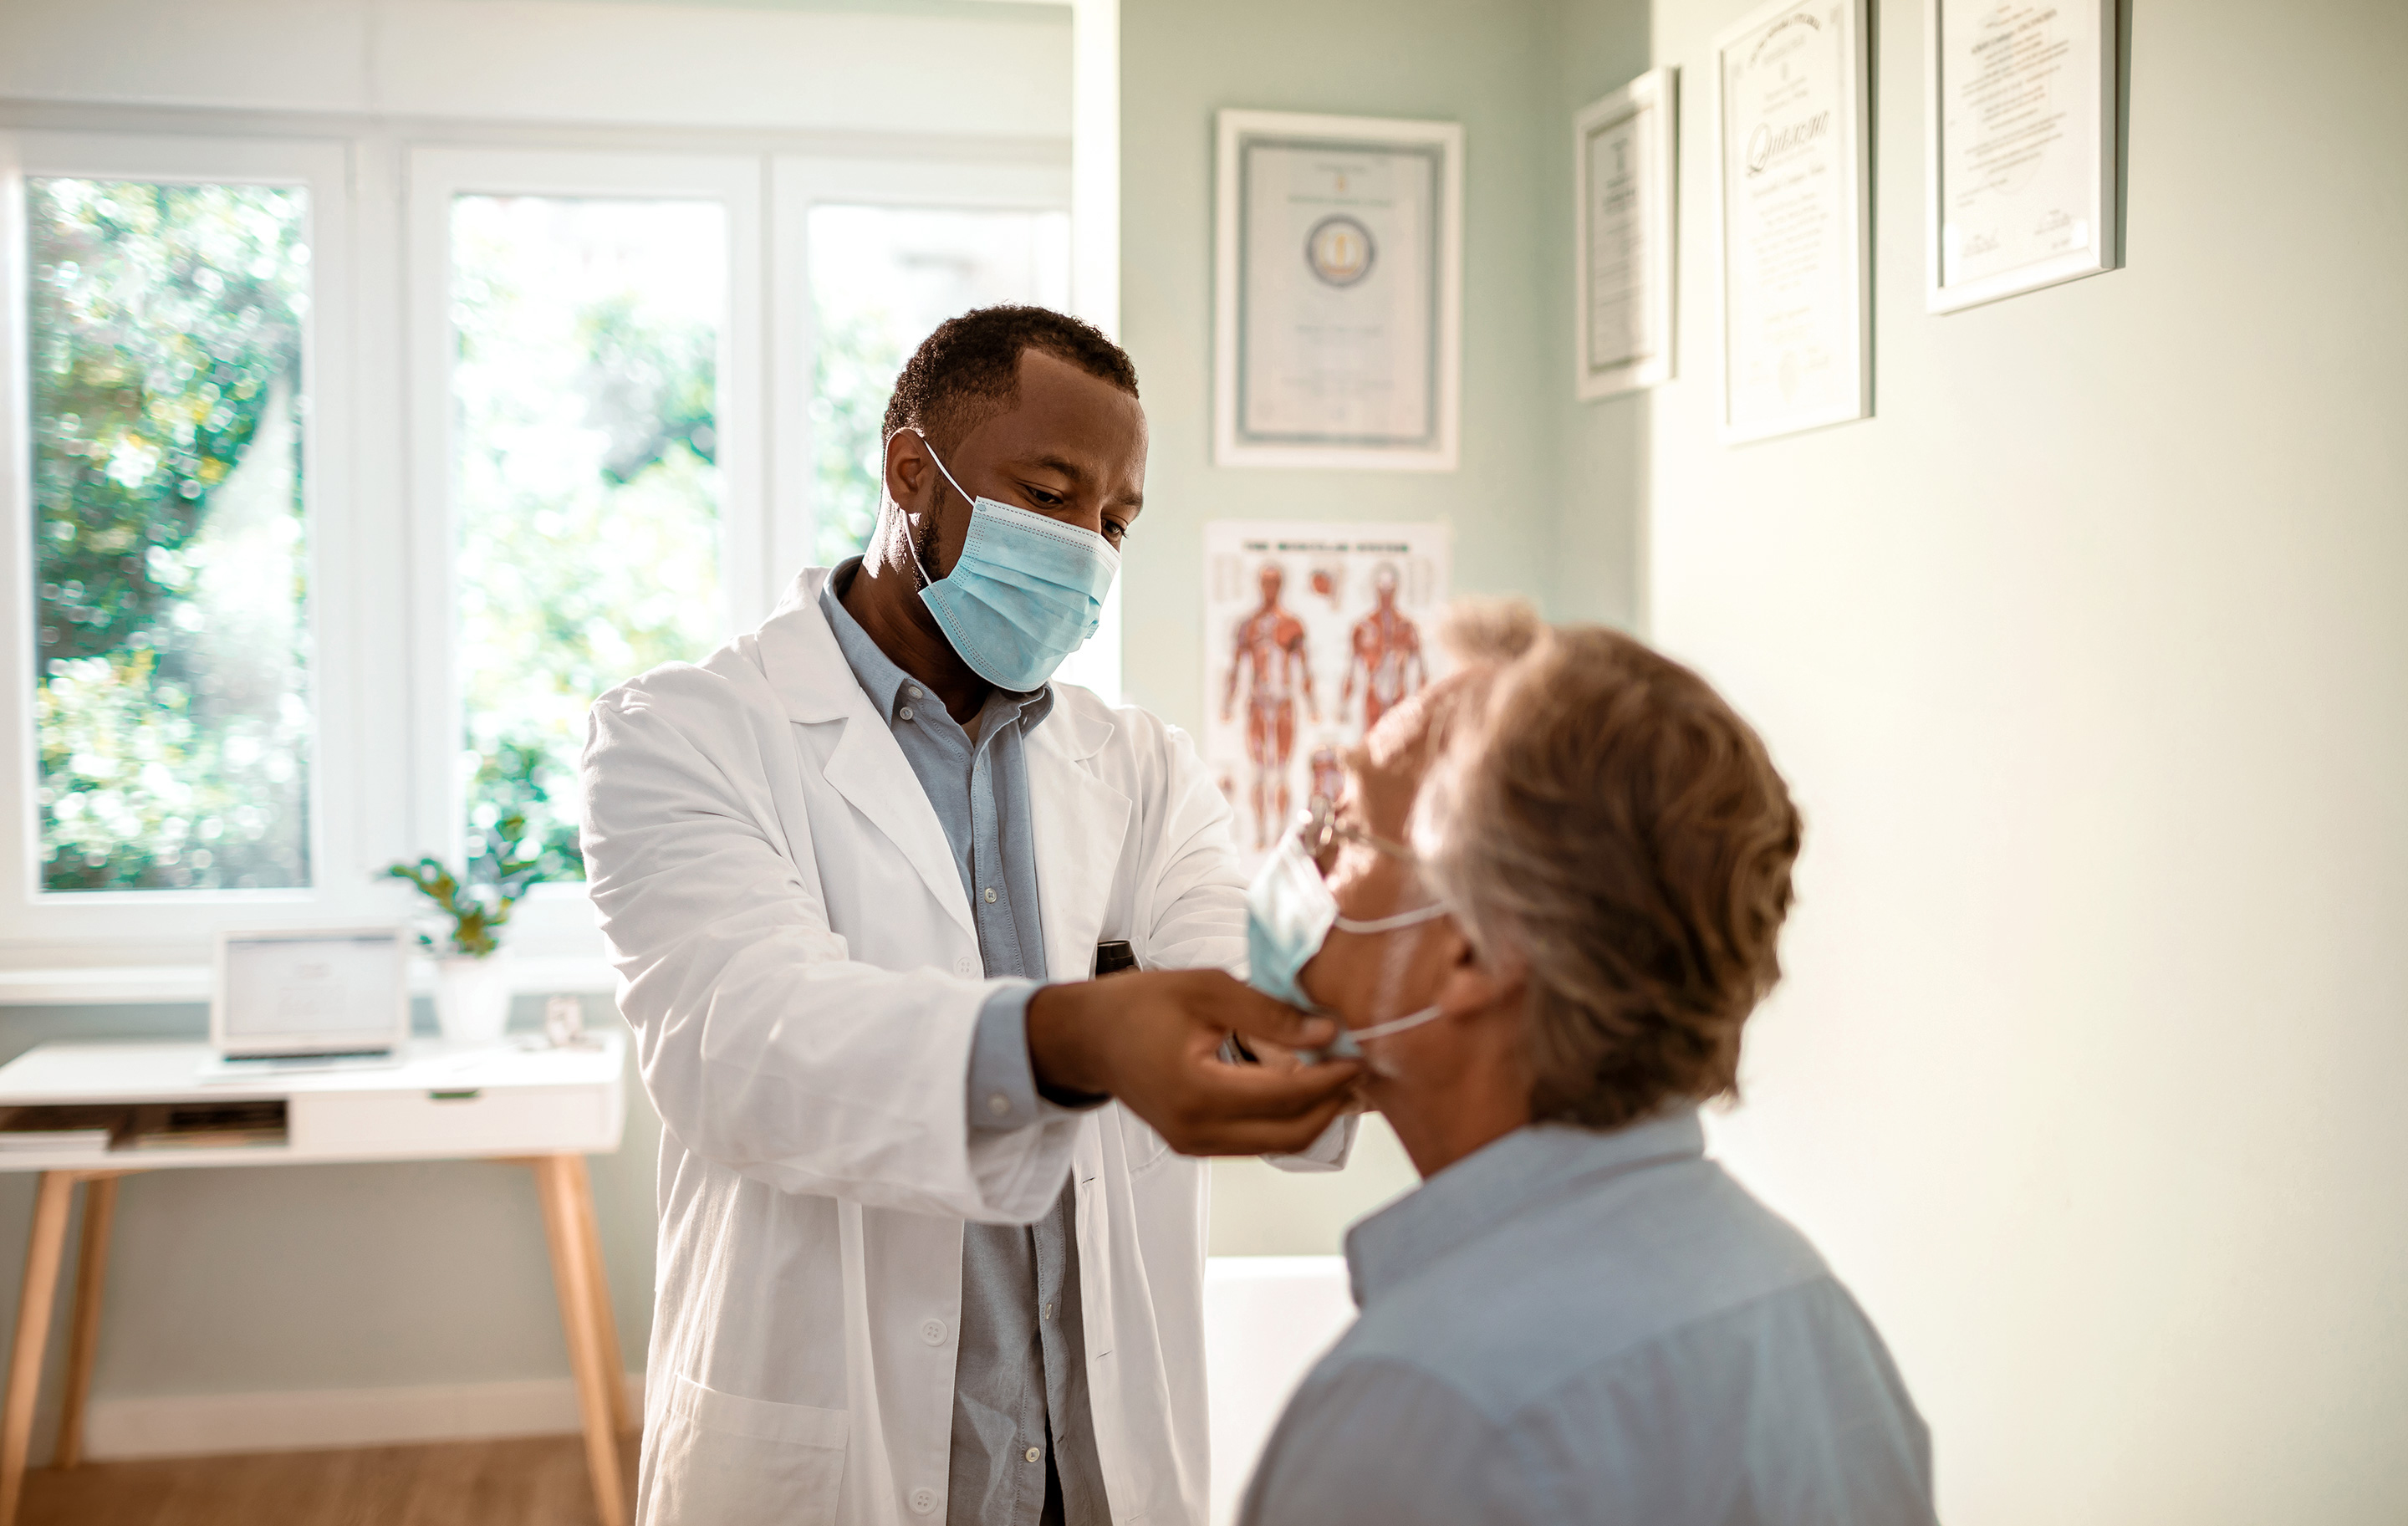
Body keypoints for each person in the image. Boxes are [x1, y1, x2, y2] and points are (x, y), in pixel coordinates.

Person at [579, 306, 1362, 1526]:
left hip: (1097, 1461)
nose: (1086, 550)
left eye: (1114, 521)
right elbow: (744, 1045)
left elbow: (1242, 997)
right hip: (850, 1456)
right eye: (1048, 496)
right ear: (912, 476)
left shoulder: (1141, 766)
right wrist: (1074, 1038)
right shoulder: (685, 736)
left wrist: (1338, 912)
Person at [1237, 602, 1936, 1526]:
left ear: (1477, 954)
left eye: (1350, 826)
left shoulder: (1423, 1408)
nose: (1307, 860)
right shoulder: (1806, 1312)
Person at [1221, 561, 1316, 850]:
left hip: (1285, 702)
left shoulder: (1292, 624)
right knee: (1261, 771)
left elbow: (1304, 668)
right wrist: (1227, 703)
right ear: (1259, 585)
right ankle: (1262, 833)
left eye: (1275, 582)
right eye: (1266, 582)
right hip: (1258, 704)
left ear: (1281, 586)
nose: (1270, 588)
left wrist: (1312, 705)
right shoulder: (1247, 626)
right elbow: (1236, 668)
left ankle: (1281, 835)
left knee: (1283, 771)